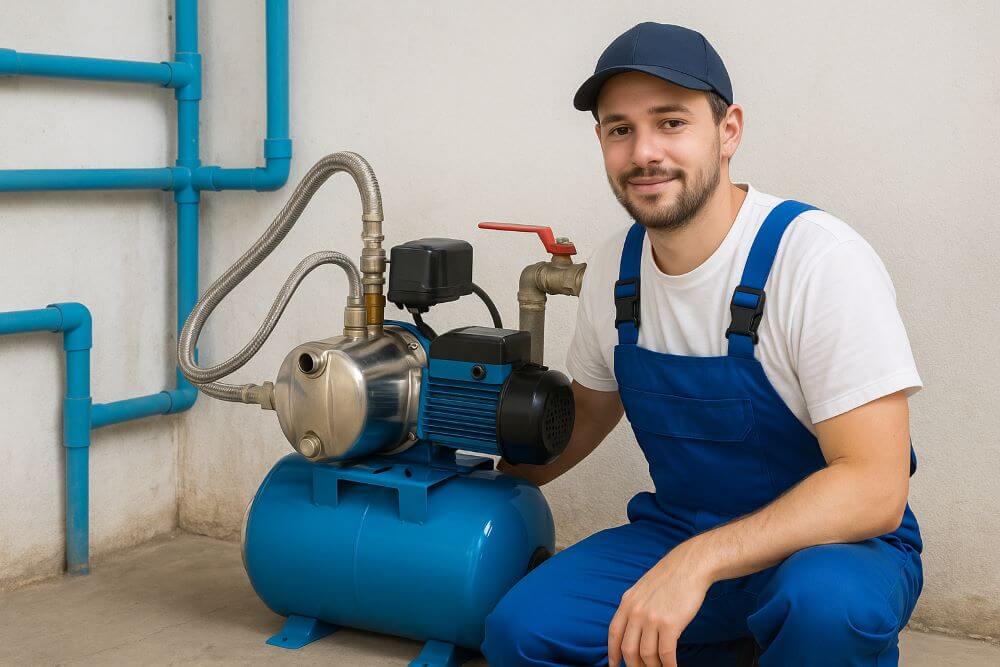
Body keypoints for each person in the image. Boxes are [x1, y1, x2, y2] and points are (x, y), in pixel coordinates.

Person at [480, 22, 923, 667]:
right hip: (680, 530)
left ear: (729, 130)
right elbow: (587, 416)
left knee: (828, 611)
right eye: (619, 129)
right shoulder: (615, 270)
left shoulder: (816, 260)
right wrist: (473, 484)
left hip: (834, 551)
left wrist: (700, 561)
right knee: (523, 632)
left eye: (671, 122)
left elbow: (876, 487)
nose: (644, 152)